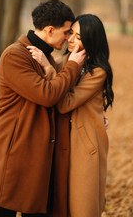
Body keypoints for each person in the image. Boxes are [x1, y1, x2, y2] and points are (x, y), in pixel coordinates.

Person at [0, 0, 86, 217]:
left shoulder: (46, 57)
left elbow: (64, 96)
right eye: (67, 32)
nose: (69, 38)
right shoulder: (15, 55)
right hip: (13, 159)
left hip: (37, 160)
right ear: (50, 29)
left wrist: (93, 116)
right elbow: (47, 95)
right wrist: (73, 66)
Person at [27, 14, 114, 217]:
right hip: (61, 142)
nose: (71, 39)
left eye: (79, 36)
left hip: (86, 146)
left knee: (81, 207)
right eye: (71, 33)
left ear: (92, 40)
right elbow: (48, 90)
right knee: (60, 206)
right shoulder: (64, 60)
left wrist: (49, 69)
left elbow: (65, 103)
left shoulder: (98, 71)